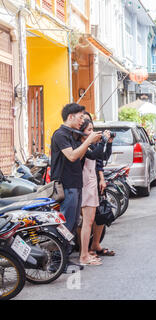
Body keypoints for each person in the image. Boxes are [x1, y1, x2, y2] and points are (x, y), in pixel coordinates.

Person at [50, 103, 102, 269]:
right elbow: (72, 156)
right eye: (80, 117)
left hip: (76, 184)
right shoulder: (60, 135)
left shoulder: (72, 135)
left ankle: (64, 258)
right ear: (70, 116)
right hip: (66, 185)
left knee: (72, 224)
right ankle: (57, 262)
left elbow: (79, 157)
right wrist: (87, 140)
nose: (82, 121)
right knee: (66, 223)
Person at [81, 111, 116, 258]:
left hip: (94, 179)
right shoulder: (80, 143)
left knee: (99, 213)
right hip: (84, 182)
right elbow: (93, 155)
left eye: (91, 126)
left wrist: (108, 143)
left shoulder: (92, 141)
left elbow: (101, 158)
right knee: (84, 219)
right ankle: (84, 250)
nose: (91, 131)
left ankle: (95, 244)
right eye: (87, 127)